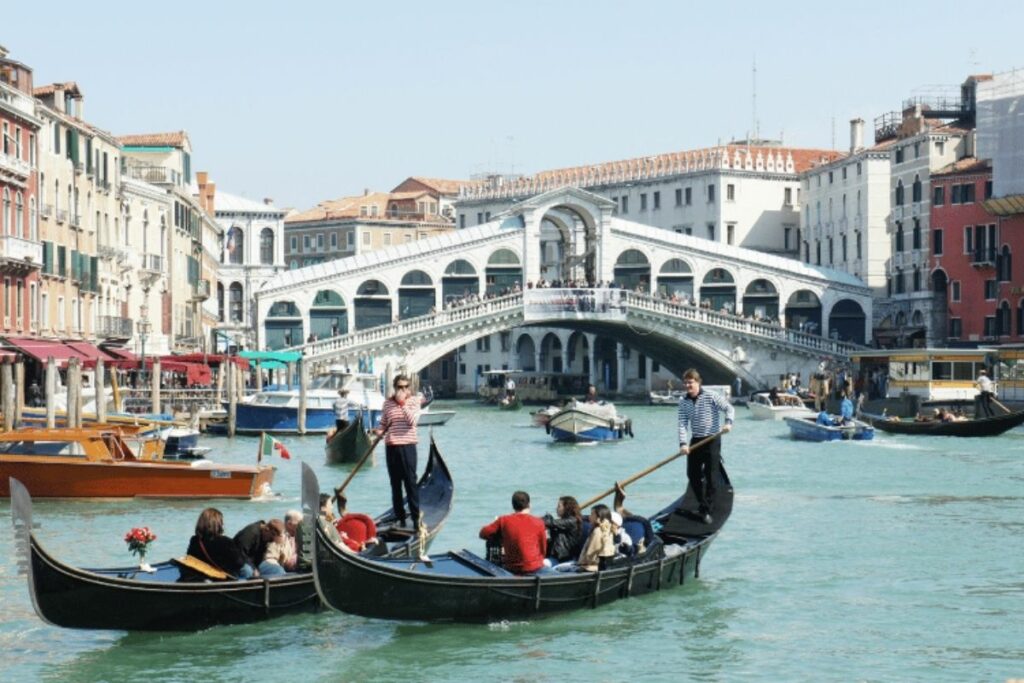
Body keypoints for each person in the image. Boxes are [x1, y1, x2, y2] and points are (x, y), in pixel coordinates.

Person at [677, 368, 734, 525]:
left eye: (691, 382)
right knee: (692, 474)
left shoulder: (711, 396)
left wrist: (728, 423)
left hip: (712, 439)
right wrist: (683, 444)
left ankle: (706, 509)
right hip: (696, 440)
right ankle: (702, 502)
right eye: (686, 382)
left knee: (710, 476)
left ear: (698, 382)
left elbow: (729, 408)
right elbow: (682, 424)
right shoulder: (683, 401)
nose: (688, 385)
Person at [376, 375, 422, 528]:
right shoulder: (387, 404)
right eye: (400, 387)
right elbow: (383, 424)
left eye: (406, 387)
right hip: (391, 448)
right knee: (395, 485)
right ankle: (400, 518)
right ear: (394, 388)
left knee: (410, 483)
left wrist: (402, 404)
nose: (403, 390)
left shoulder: (415, 401)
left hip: (408, 446)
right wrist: (377, 433)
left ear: (409, 388)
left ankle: (416, 518)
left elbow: (412, 421)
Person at [479, 490, 547, 574]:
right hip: (534, 567)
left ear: (513, 505)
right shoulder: (539, 522)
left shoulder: (504, 520)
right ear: (529, 504)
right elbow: (543, 549)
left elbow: (483, 533)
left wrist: (501, 534)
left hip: (512, 568)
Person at [187, 508, 253, 579]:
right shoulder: (226, 542)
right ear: (219, 524)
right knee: (247, 569)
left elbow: (190, 559)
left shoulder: (194, 540)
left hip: (200, 576)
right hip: (221, 578)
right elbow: (239, 563)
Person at [542, 495, 585, 566]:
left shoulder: (572, 521)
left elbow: (551, 523)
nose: (556, 509)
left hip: (564, 559)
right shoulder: (564, 521)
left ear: (567, 508)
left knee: (541, 564)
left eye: (559, 506)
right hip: (556, 558)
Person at [577, 504, 615, 572]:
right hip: (596, 565)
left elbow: (590, 555)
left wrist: (581, 564)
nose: (589, 517)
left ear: (599, 517)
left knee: (556, 569)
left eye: (592, 514)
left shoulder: (597, 531)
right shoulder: (609, 529)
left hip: (590, 567)